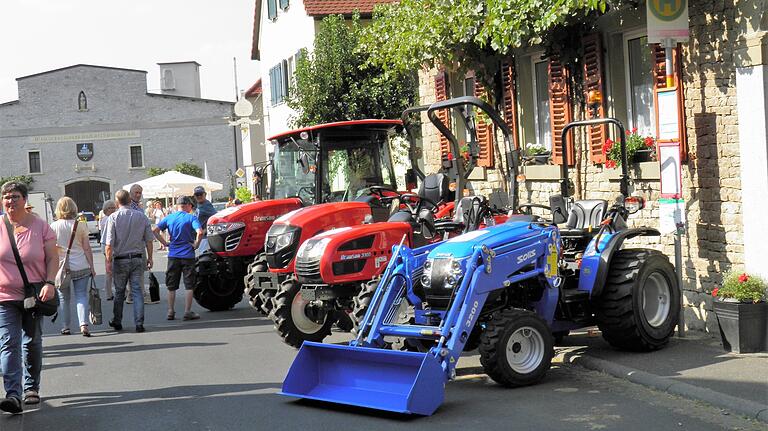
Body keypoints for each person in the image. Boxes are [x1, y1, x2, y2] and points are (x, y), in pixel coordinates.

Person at [0, 181, 58, 412]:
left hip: (34, 294)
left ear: (25, 200)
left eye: (14, 196)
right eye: (6, 196)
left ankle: (31, 387)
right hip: (4, 296)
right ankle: (13, 394)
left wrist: (50, 282)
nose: (10, 201)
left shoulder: (41, 227)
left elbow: (53, 258)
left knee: (31, 342)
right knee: (8, 343)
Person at [104, 190, 153, 333]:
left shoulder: (113, 218)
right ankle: (139, 322)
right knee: (137, 291)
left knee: (119, 292)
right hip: (137, 257)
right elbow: (149, 240)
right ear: (130, 200)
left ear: (117, 202)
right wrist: (150, 257)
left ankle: (117, 320)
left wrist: (108, 261)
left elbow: (109, 244)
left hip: (120, 259)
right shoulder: (141, 216)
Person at [50, 198, 96, 337]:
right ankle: (83, 324)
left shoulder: (53, 226)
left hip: (61, 267)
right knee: (81, 295)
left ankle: (66, 326)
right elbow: (87, 248)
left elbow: (51, 249)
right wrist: (92, 267)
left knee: (64, 298)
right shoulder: (81, 225)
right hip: (81, 265)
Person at [153, 196, 203, 321]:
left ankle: (170, 311)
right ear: (188, 205)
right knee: (189, 285)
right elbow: (200, 232)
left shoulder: (169, 217)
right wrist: (196, 244)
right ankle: (187, 311)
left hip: (173, 255)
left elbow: (155, 230)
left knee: (171, 285)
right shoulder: (191, 217)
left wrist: (165, 243)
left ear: (177, 206)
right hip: (188, 255)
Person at [98, 200, 117, 300]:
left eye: (114, 207)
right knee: (110, 270)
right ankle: (109, 293)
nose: (113, 209)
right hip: (108, 246)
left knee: (110, 270)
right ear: (106, 210)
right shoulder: (107, 219)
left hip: (108, 246)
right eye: (111, 208)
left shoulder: (109, 218)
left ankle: (109, 292)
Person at [193, 186, 216, 256]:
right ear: (194, 196)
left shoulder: (206, 205)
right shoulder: (199, 204)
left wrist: (205, 230)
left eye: (201, 194)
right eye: (197, 194)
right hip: (200, 238)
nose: (199, 196)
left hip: (205, 238)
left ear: (205, 194)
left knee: (203, 258)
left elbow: (216, 219)